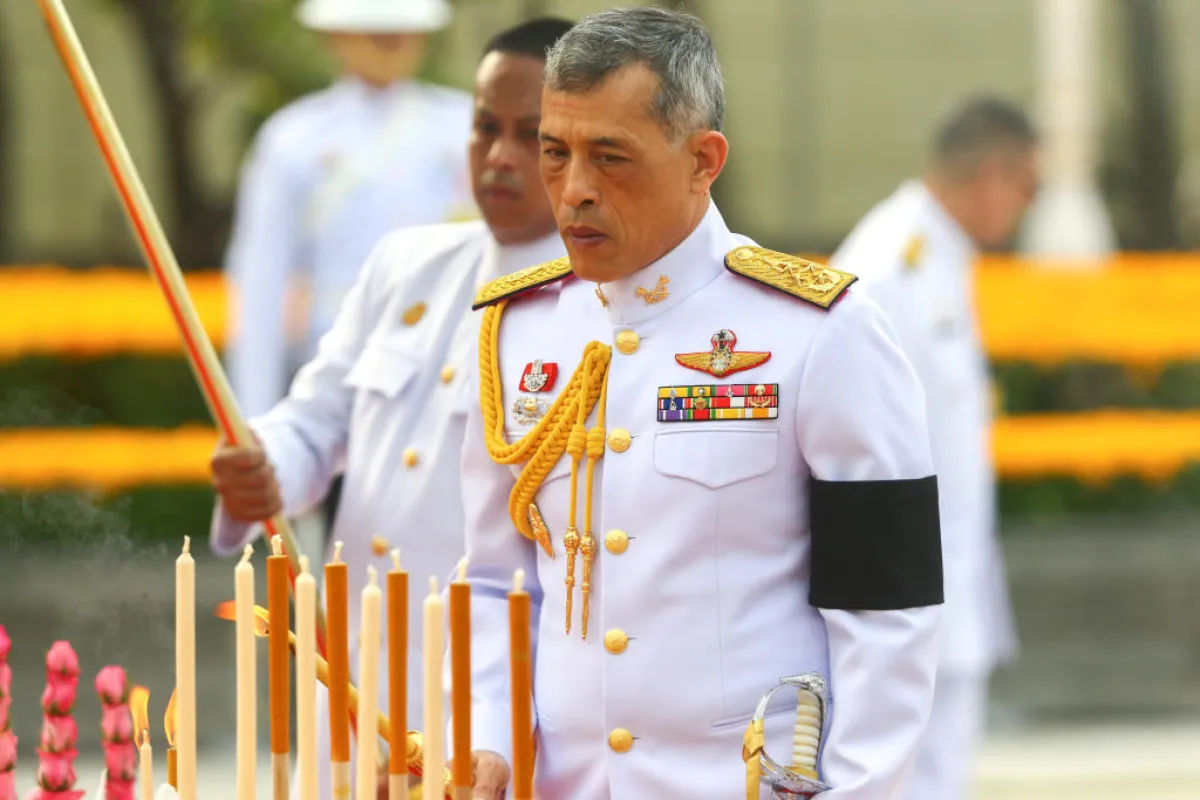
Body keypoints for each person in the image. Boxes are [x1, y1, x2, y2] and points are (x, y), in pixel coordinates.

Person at [459, 8, 944, 799]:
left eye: (610, 157)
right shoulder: (516, 330)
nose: (573, 191)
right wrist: (489, 740)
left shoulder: (820, 331)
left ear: (703, 160)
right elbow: (493, 581)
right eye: (555, 152)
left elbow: (887, 610)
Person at [207, 17, 574, 799]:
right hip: (358, 677)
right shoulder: (405, 267)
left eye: (532, 137)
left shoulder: (604, 309)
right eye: (485, 129)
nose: (499, 157)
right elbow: (316, 420)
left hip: (496, 704)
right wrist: (265, 459)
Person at [830, 97, 1039, 800]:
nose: (1025, 207)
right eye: (1029, 187)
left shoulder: (939, 257)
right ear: (992, 176)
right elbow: (851, 450)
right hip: (903, 605)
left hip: (944, 586)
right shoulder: (893, 266)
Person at [224, 0, 476, 420]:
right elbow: (262, 283)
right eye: (377, 34)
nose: (394, 44)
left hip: (449, 369)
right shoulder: (294, 138)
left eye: (404, 33)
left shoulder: (465, 126)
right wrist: (252, 419)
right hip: (337, 373)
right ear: (336, 36)